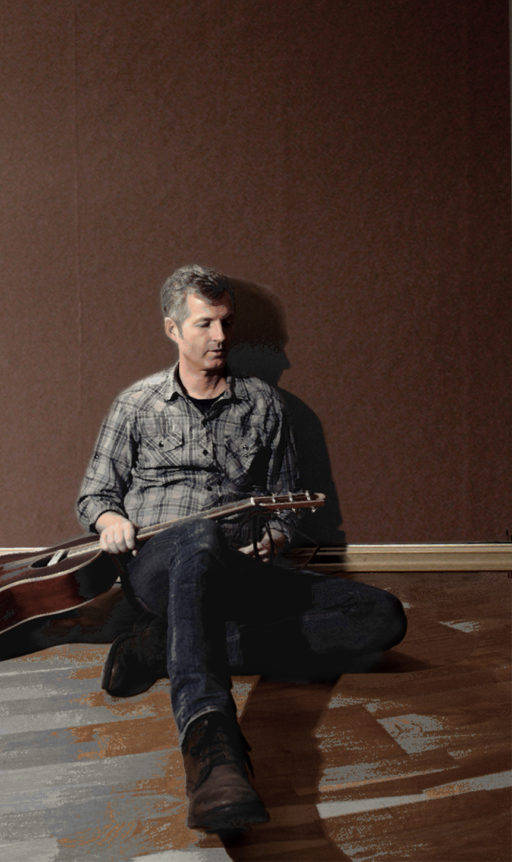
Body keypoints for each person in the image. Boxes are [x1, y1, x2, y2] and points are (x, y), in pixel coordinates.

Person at [76, 264, 407, 835]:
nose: (220, 336)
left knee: (381, 615)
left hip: (237, 570)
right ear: (173, 329)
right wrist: (110, 522)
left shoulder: (265, 405)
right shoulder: (137, 403)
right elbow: (95, 495)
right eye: (204, 324)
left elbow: (285, 509)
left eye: (226, 323)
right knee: (197, 535)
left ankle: (162, 648)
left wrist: (272, 539)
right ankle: (213, 749)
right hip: (159, 569)